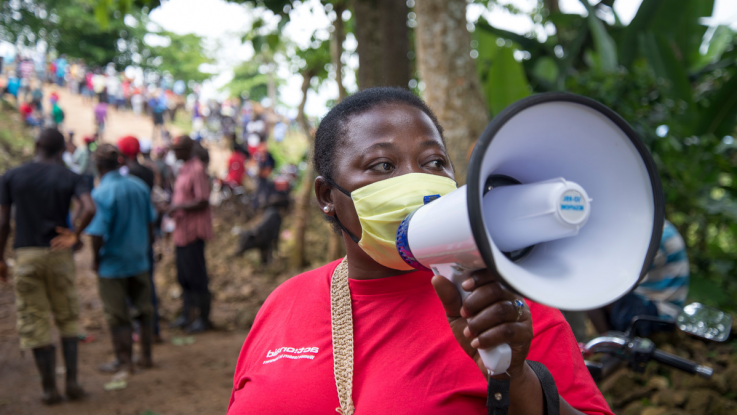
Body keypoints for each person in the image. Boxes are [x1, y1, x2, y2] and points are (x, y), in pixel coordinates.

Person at [226, 88, 612, 415]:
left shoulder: (507, 308)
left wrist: (519, 381)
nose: (416, 180)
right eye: (382, 165)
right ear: (328, 196)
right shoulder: (284, 304)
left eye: (434, 162)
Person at [0, 128, 96, 404]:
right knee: (67, 317)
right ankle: (73, 384)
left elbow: (4, 222)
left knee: (34, 318)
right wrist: (75, 234)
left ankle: (48, 389)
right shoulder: (70, 176)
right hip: (59, 254)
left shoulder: (12, 176)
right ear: (62, 150)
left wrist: (0, 259)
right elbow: (89, 207)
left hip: (26, 254)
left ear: (37, 144)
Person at [85, 144, 156, 374]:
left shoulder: (101, 193)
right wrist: (147, 248)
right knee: (144, 309)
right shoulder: (139, 187)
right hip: (139, 259)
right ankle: (146, 357)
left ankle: (125, 361)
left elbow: (97, 234)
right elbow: (150, 222)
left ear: (98, 166)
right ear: (120, 162)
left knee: (117, 315)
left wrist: (96, 259)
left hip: (113, 263)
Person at [588, 219, 689, 336]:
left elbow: (619, 272)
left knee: (592, 292)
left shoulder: (659, 235)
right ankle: (609, 341)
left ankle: (610, 343)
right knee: (595, 288)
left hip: (662, 312)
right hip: (648, 302)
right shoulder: (656, 227)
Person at [166, 135, 213, 334]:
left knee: (197, 276)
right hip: (181, 231)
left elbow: (203, 200)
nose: (175, 153)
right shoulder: (183, 168)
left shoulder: (197, 169)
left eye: (178, 149)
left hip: (194, 232)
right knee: (183, 276)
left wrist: (176, 207)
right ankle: (187, 315)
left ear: (188, 149)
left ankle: (203, 318)